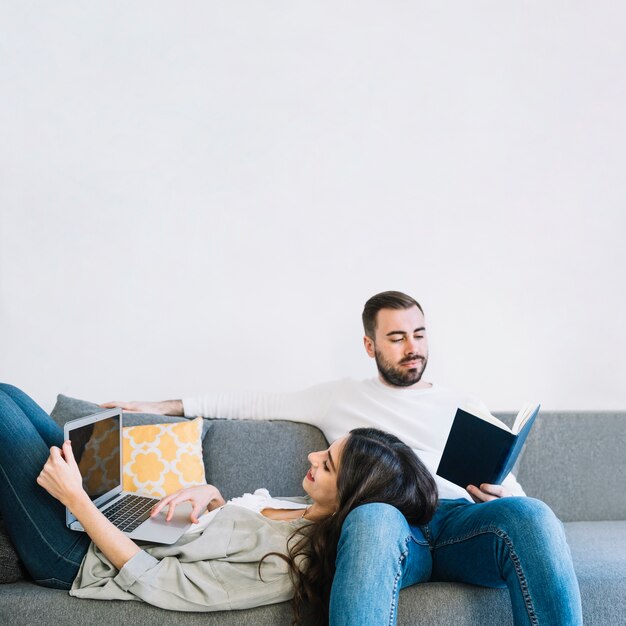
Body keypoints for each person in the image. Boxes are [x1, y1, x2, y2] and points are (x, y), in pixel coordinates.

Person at [104, 290, 584, 625]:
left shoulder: (463, 402)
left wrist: (496, 495)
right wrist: (164, 407)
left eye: (419, 334)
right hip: (388, 525)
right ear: (370, 345)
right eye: (397, 338)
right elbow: (253, 402)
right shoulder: (339, 398)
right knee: (373, 515)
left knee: (534, 514)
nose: (412, 348)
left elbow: (513, 494)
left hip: (461, 522)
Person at [0, 382, 437, 623]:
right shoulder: (301, 507)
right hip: (108, 525)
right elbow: (232, 532)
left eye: (326, 465)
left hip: (80, 559)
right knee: (12, 393)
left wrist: (78, 501)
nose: (311, 456)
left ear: (348, 498)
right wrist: (212, 499)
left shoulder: (288, 561)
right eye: (325, 450)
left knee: (2, 409)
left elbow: (158, 582)